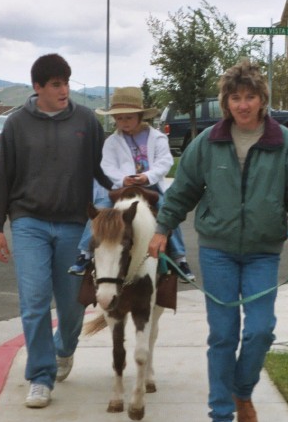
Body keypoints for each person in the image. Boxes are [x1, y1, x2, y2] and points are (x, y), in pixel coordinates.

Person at [147, 58, 288, 422]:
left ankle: (243, 391)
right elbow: (182, 191)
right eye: (235, 97)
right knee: (222, 335)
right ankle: (221, 418)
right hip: (217, 251)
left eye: (250, 96)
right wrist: (161, 229)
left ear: (262, 100)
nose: (243, 104)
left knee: (260, 330)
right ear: (226, 101)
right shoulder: (207, 143)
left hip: (262, 251)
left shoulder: (285, 144)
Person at [0, 53, 113, 409]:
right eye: (56, 84)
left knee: (73, 306)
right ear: (37, 87)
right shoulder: (16, 125)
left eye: (67, 83)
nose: (64, 90)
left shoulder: (87, 121)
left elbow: (104, 172)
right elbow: (3, 179)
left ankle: (64, 349)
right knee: (35, 301)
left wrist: (128, 188)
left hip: (75, 224)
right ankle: (40, 376)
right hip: (29, 223)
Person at [68, 86, 194, 282]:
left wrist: (148, 176)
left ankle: (179, 258)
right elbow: (107, 165)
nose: (123, 122)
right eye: (119, 118)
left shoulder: (157, 138)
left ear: (140, 115)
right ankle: (85, 252)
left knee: (167, 209)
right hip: (121, 187)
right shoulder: (112, 142)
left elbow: (165, 161)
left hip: (150, 186)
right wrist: (122, 179)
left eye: (128, 117)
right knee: (100, 209)